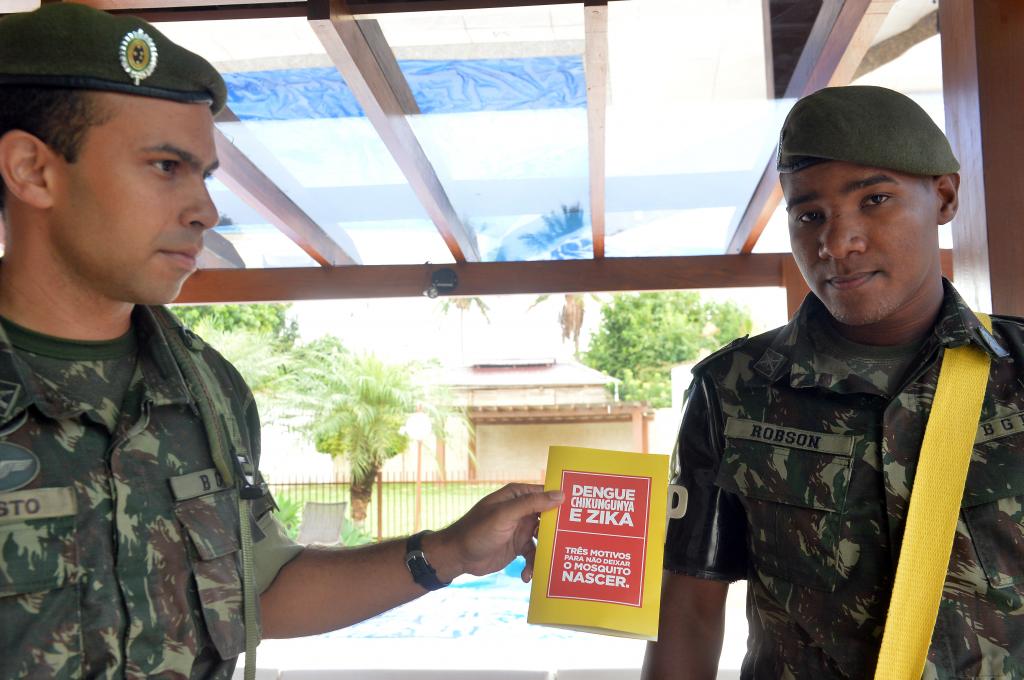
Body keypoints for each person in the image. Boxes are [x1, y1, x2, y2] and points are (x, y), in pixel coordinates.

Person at [0, 5, 563, 678]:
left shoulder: (206, 390)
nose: (205, 210)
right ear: (33, 171)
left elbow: (260, 590)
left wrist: (453, 551)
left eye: (204, 175)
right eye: (164, 166)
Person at [642, 84, 1024, 679]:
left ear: (944, 196)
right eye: (809, 214)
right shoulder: (733, 391)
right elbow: (690, 609)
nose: (836, 243)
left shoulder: (1018, 371)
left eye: (874, 199)